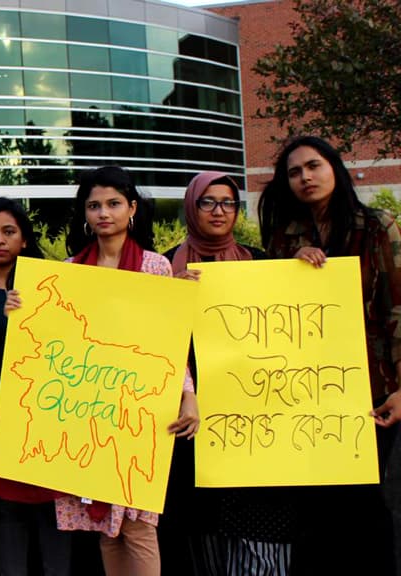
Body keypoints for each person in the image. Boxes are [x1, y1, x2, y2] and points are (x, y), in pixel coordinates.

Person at [258, 136, 401, 575]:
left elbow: (397, 306)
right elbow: (266, 311)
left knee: (368, 502)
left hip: (370, 388)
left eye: (314, 166)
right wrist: (288, 267)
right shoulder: (284, 236)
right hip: (305, 392)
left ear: (335, 169)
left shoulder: (378, 225)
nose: (305, 177)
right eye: (295, 172)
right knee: (313, 505)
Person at [54, 166, 198, 576]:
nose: (104, 213)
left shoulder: (154, 266)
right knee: (106, 528)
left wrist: (188, 395)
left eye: (114, 204)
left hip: (141, 408)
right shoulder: (70, 269)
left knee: (139, 523)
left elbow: (169, 342)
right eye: (95, 205)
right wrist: (20, 308)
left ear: (132, 208)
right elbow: (54, 336)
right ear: (84, 213)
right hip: (88, 410)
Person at [165, 172, 295, 575]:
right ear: (191, 206)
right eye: (208, 202)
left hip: (254, 427)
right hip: (190, 425)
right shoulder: (165, 265)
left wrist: (309, 268)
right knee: (201, 539)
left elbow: (293, 329)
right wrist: (169, 298)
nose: (219, 211)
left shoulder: (262, 263)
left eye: (228, 203)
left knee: (259, 542)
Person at [0, 197, 71, 576]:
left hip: (42, 416)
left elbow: (70, 345)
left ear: (24, 239)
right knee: (3, 514)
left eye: (9, 232)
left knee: (50, 512)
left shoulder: (47, 285)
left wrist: (32, 316)